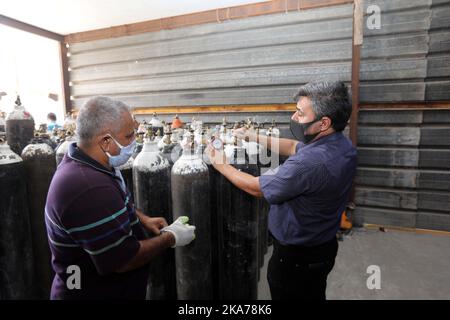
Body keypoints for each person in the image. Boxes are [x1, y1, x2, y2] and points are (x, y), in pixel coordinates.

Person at [206, 81, 357, 300]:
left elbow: (256, 187)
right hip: (323, 246)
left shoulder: (309, 164)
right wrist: (251, 136)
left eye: (300, 114)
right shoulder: (343, 147)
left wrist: (221, 165)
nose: (294, 118)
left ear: (324, 123)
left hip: (296, 258)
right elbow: (292, 146)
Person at [45, 96, 195, 299]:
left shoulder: (89, 164)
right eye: (129, 135)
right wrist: (171, 237)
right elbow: (123, 260)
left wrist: (143, 219)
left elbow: (116, 203)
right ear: (106, 141)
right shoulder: (89, 188)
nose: (135, 141)